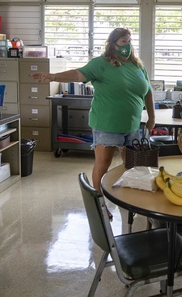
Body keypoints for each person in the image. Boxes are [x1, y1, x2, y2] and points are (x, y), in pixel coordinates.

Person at [31, 28, 155, 193]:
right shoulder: (101, 63)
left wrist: (152, 117)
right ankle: (99, 201)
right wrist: (53, 77)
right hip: (107, 124)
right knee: (103, 163)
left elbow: (148, 91)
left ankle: (126, 198)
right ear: (113, 45)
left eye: (129, 41)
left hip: (132, 125)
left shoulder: (137, 65)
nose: (128, 45)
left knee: (130, 164)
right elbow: (78, 75)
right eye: (123, 41)